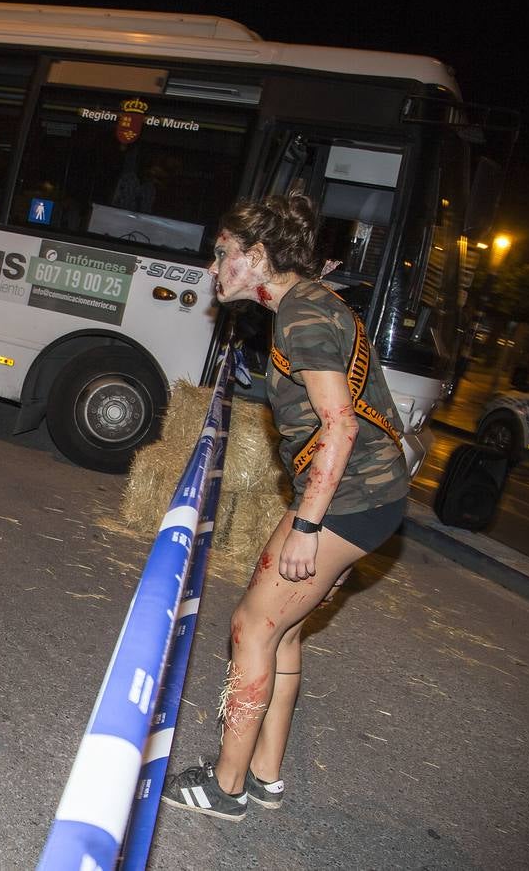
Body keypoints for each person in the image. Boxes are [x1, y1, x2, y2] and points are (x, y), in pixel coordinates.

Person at [160, 194, 409, 820]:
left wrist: (306, 525)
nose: (214, 267)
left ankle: (226, 786)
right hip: (366, 498)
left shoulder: (301, 315)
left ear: (259, 256)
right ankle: (265, 774)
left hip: (347, 499)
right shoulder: (308, 303)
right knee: (285, 628)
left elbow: (339, 427)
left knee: (251, 627)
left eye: (224, 255)